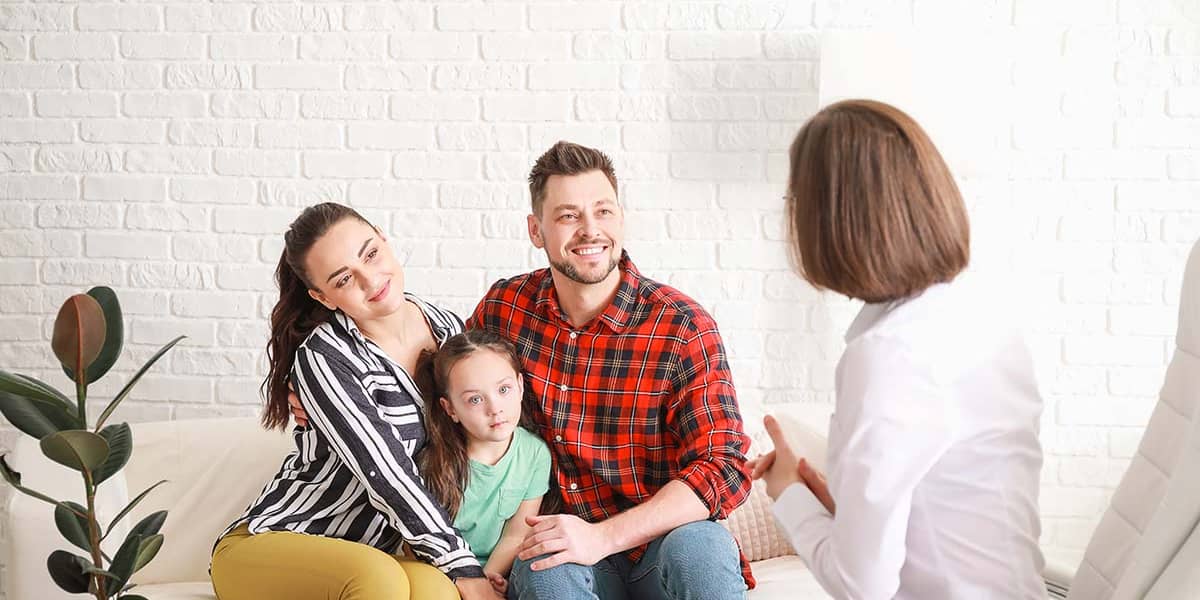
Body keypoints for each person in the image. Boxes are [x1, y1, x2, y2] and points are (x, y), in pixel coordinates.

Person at [749, 99, 1046, 598]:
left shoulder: (887, 356)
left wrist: (788, 494)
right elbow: (953, 515)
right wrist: (839, 511)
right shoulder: (986, 322)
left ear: (833, 220)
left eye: (795, 200)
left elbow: (862, 586)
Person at [468, 141, 755, 599]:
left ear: (621, 218)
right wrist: (311, 384)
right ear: (535, 230)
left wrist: (602, 537)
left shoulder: (682, 326)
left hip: (660, 548)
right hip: (565, 553)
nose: (589, 230)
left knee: (700, 546)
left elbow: (723, 467)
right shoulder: (505, 311)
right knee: (544, 563)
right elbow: (441, 385)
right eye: (568, 216)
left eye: (603, 211)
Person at [210, 203, 499, 600]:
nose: (370, 280)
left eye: (371, 253)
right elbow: (386, 473)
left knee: (438, 591)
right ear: (322, 297)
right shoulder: (326, 357)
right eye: (344, 279)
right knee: (379, 579)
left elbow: (482, 431)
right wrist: (463, 565)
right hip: (271, 544)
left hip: (370, 553)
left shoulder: (448, 328)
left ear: (383, 238)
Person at [416, 330, 553, 598]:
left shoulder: (535, 454)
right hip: (441, 571)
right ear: (450, 409)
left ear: (520, 386)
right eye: (475, 399)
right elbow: (421, 540)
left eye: (503, 390)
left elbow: (516, 534)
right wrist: (467, 580)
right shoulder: (433, 460)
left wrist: (488, 578)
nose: (495, 408)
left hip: (497, 570)